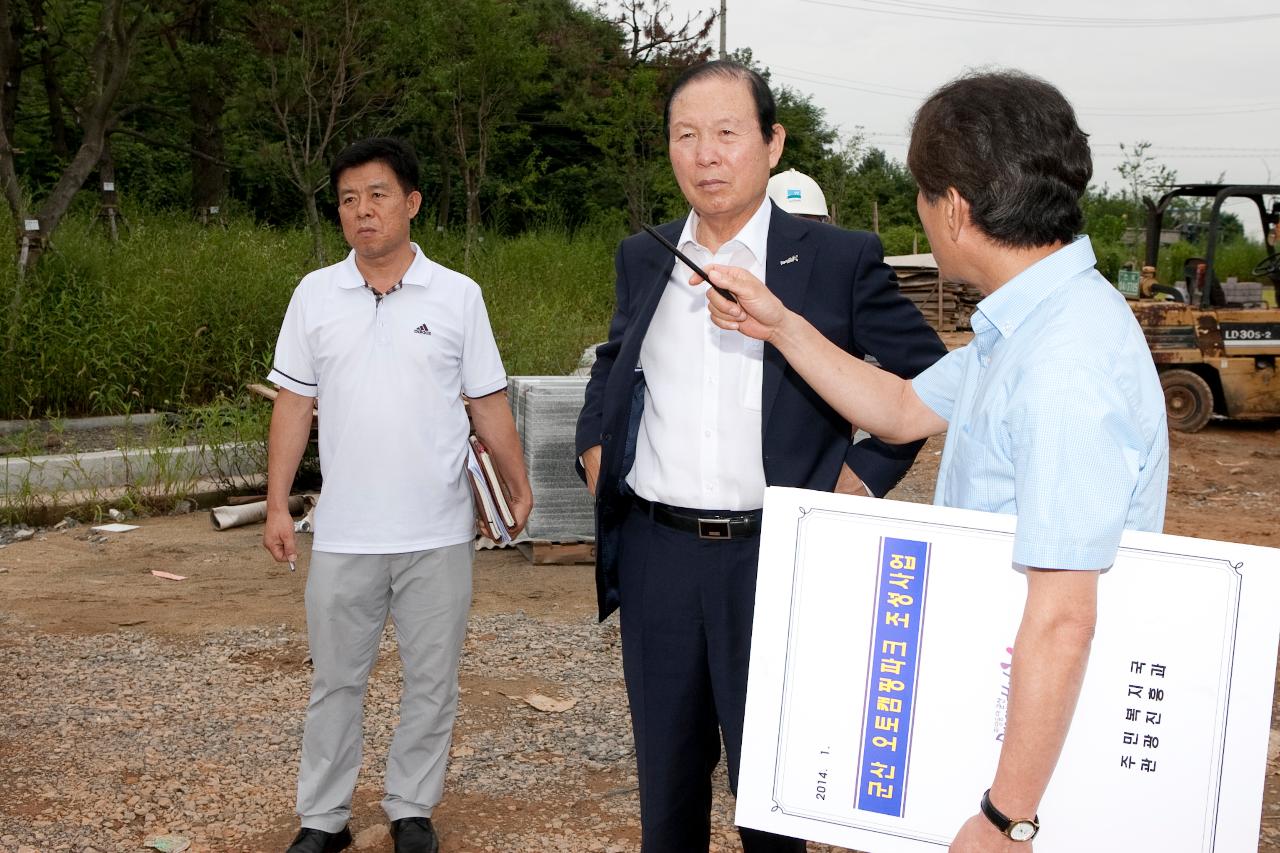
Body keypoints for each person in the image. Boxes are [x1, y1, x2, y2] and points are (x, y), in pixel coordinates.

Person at [698, 70, 1169, 851]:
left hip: (1029, 760)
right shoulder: (1023, 325)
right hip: (990, 702)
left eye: (922, 193)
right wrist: (778, 324)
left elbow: (1063, 615)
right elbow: (901, 408)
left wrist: (1004, 817)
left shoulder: (1065, 361)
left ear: (954, 207)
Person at [575, 60, 946, 853]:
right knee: (666, 797)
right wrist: (595, 449)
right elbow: (613, 360)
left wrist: (862, 480)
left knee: (772, 801)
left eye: (727, 133)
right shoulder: (645, 255)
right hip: (657, 556)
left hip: (775, 557)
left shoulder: (834, 258)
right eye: (685, 135)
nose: (705, 154)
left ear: (772, 145)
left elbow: (930, 377)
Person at [263, 137, 532, 853]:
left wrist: (519, 483)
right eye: (348, 199)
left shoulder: (458, 296)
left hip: (437, 531)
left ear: (411, 203)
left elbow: (488, 401)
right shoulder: (314, 294)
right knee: (335, 684)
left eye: (377, 195)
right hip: (345, 532)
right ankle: (324, 820)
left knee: (432, 682)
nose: (362, 211)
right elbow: (292, 404)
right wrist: (275, 503)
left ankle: (411, 807)